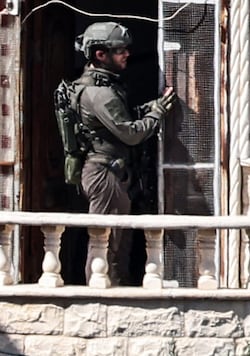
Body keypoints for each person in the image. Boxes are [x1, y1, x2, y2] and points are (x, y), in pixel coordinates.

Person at [73, 22, 176, 285]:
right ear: (100, 54)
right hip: (104, 173)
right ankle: (102, 291)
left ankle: (113, 284)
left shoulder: (103, 88)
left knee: (118, 239)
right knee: (108, 241)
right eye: (120, 50)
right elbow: (131, 133)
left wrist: (149, 109)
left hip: (111, 170)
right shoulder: (100, 93)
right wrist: (157, 113)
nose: (126, 54)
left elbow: (122, 120)